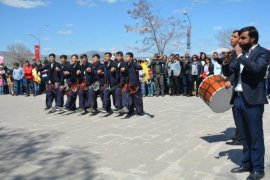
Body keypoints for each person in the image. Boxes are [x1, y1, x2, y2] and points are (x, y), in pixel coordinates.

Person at [222, 26, 270, 180]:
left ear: (252, 38)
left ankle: (258, 168)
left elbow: (257, 70)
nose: (239, 41)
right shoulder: (240, 54)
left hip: (253, 100)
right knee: (243, 135)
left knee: (255, 135)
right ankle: (246, 163)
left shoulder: (262, 52)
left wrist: (241, 56)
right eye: (239, 38)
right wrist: (226, 61)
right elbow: (229, 72)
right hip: (237, 98)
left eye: (242, 38)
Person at [224, 29, 242, 146]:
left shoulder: (243, 52)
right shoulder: (232, 53)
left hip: (243, 90)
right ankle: (239, 136)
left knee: (241, 116)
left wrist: (230, 81)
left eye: (234, 36)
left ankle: (241, 137)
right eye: (231, 36)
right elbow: (228, 71)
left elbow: (237, 71)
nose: (231, 38)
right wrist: (225, 61)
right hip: (236, 90)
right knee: (236, 115)